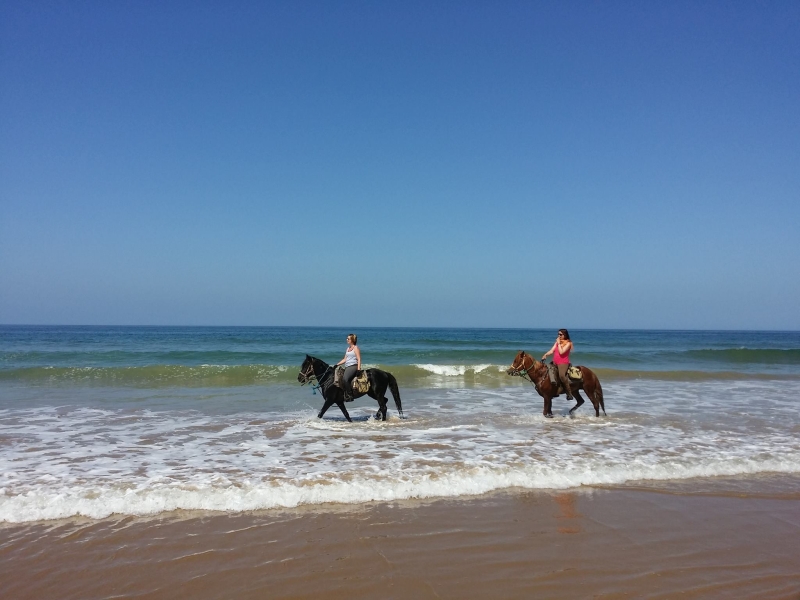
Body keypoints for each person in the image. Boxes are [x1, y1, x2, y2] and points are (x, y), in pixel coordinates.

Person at [542, 329, 574, 400]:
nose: (559, 336)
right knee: (548, 371)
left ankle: (569, 393)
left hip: (563, 363)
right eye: (558, 334)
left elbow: (561, 352)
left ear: (565, 335)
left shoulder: (568, 343)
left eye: (561, 334)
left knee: (562, 376)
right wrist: (546, 354)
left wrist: (559, 343)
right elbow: (552, 350)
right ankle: (554, 391)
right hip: (555, 362)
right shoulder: (557, 343)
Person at [335, 333, 361, 401]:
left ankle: (350, 395)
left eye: (348, 339)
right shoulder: (348, 348)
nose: (347, 339)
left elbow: (359, 359)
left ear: (352, 340)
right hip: (347, 366)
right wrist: (337, 364)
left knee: (345, 379)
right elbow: (345, 359)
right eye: (347, 338)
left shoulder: (356, 348)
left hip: (353, 366)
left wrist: (358, 369)